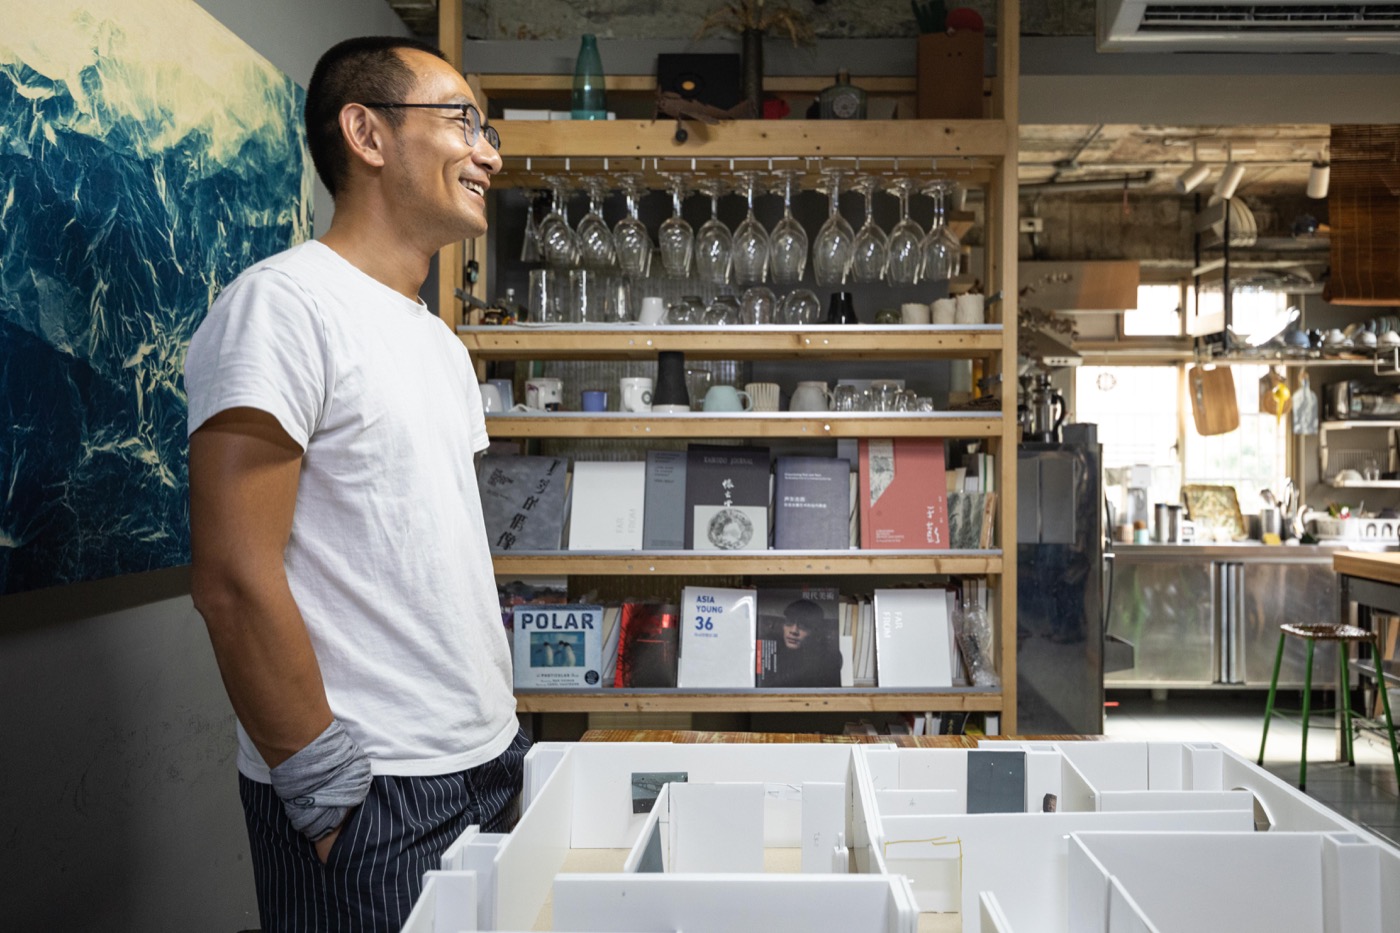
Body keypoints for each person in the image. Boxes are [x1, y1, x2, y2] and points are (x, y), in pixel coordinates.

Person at [185, 35, 527, 932]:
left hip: (487, 761)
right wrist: (328, 800)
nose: (489, 154)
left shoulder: (439, 343)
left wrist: (499, 733)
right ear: (367, 133)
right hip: (373, 795)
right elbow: (231, 579)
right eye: (463, 122)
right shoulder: (282, 306)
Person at [763, 598, 842, 688]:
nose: (794, 631)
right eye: (789, 622)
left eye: (803, 626)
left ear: (816, 632)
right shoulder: (769, 652)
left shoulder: (824, 664)